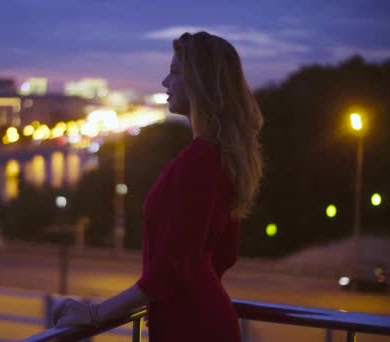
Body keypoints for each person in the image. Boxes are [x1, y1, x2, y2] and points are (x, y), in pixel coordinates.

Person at [52, 31, 264, 341]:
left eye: (175, 72)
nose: (165, 82)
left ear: (199, 82)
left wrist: (96, 313)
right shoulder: (223, 157)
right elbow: (224, 255)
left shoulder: (199, 160)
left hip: (189, 329)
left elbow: (170, 268)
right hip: (206, 321)